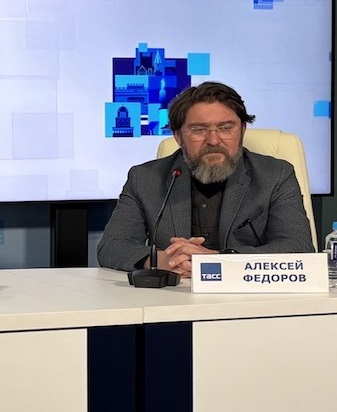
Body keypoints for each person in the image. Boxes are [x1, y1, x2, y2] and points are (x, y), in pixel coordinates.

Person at [97, 81, 313, 278]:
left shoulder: (275, 175)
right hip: (173, 297)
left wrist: (217, 259)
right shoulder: (145, 178)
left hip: (248, 294)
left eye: (226, 128)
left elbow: (298, 247)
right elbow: (112, 246)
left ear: (242, 130)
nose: (213, 140)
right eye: (199, 130)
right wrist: (159, 260)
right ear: (178, 136)